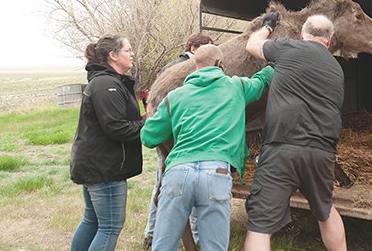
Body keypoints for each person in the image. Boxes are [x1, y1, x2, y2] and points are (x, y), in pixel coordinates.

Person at [140, 44, 274, 251]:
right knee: (214, 247)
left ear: (195, 66)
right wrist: (273, 66)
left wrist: (158, 120)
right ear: (220, 64)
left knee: (163, 245)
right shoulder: (236, 87)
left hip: (178, 174)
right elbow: (261, 81)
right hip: (216, 173)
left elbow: (148, 137)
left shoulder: (175, 96)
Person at [244, 13, 347, 251]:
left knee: (260, 224)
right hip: (322, 152)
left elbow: (252, 45)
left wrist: (267, 27)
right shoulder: (336, 68)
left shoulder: (288, 48)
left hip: (282, 148)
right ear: (329, 41)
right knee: (326, 209)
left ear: (302, 34)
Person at [70, 34, 144, 251]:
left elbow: (116, 122)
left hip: (96, 164)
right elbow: (116, 127)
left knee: (92, 220)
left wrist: (142, 119)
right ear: (113, 55)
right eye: (128, 50)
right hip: (105, 168)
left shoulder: (108, 81)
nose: (132, 54)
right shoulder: (106, 84)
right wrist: (146, 124)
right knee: (110, 226)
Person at [143, 32, 214, 250]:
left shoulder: (173, 67)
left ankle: (152, 234)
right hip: (179, 140)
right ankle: (191, 237)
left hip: (168, 135)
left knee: (164, 184)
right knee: (171, 187)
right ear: (194, 49)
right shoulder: (179, 71)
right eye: (206, 48)